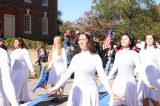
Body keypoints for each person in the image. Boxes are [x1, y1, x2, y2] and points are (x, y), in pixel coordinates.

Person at [49, 33, 122, 106]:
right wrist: (56, 87)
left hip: (90, 92)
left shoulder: (95, 57)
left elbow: (102, 76)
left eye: (83, 39)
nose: (80, 42)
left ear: (89, 41)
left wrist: (111, 93)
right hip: (76, 92)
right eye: (79, 40)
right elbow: (67, 74)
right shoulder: (76, 57)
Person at [108, 33, 139, 106]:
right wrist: (107, 78)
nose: (123, 40)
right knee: (117, 103)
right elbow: (115, 67)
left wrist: (133, 73)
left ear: (130, 41)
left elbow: (139, 67)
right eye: (122, 39)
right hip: (118, 82)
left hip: (130, 83)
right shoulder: (118, 53)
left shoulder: (134, 54)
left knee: (128, 103)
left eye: (125, 39)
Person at [10, 37, 37, 104]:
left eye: (16, 42)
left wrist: (32, 70)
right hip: (14, 72)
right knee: (18, 86)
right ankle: (23, 99)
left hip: (22, 72)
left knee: (18, 85)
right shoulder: (13, 52)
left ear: (20, 43)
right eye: (14, 42)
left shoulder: (24, 51)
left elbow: (28, 61)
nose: (14, 43)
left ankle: (14, 100)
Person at [137, 34, 160, 106]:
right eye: (147, 39)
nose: (148, 40)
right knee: (144, 98)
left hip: (154, 77)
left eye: (150, 38)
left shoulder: (157, 50)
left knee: (155, 99)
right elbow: (139, 64)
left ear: (154, 40)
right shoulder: (142, 51)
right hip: (143, 78)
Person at [48, 36, 68, 101]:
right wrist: (50, 66)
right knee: (54, 82)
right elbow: (53, 60)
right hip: (54, 69)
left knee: (61, 83)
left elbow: (65, 60)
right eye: (54, 41)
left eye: (55, 41)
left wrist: (65, 70)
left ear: (59, 42)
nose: (54, 42)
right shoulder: (53, 49)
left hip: (61, 68)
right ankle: (55, 96)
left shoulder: (62, 50)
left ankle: (60, 97)